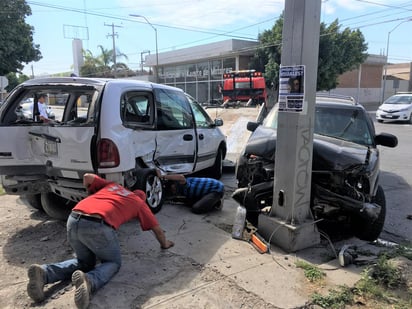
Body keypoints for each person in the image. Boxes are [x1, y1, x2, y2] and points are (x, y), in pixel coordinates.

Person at [26, 173, 174, 308]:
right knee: (112, 262)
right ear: (142, 198)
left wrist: (91, 194)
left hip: (73, 218)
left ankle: (44, 273)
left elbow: (87, 177)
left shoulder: (114, 186)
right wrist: (165, 244)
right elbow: (157, 230)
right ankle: (90, 281)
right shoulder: (139, 202)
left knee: (84, 262)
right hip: (97, 224)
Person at [157, 169, 225, 214]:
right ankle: (210, 200)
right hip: (207, 191)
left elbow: (181, 177)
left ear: (174, 183)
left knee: (196, 209)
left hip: (216, 189)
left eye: (173, 187)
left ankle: (216, 202)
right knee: (186, 201)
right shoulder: (182, 190)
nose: (173, 190)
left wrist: (161, 176)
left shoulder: (183, 184)